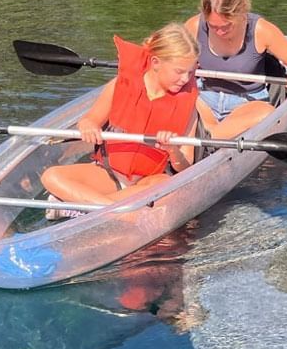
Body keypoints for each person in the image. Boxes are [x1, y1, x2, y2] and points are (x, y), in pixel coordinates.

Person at [41, 23, 201, 219]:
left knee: (166, 185)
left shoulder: (189, 104)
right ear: (156, 63)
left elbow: (185, 168)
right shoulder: (120, 85)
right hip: (109, 174)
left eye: (191, 72)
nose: (186, 79)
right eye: (179, 71)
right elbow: (89, 120)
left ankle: (83, 206)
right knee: (51, 176)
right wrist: (89, 127)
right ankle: (122, 214)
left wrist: (173, 149)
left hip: (149, 182)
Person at [184, 0, 287, 139]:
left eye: (226, 26)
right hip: (205, 99)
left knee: (267, 115)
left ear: (240, 13)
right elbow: (172, 58)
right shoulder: (194, 26)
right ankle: (215, 139)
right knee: (178, 100)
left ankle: (208, 139)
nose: (220, 32)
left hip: (247, 103)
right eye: (213, 26)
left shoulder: (261, 30)